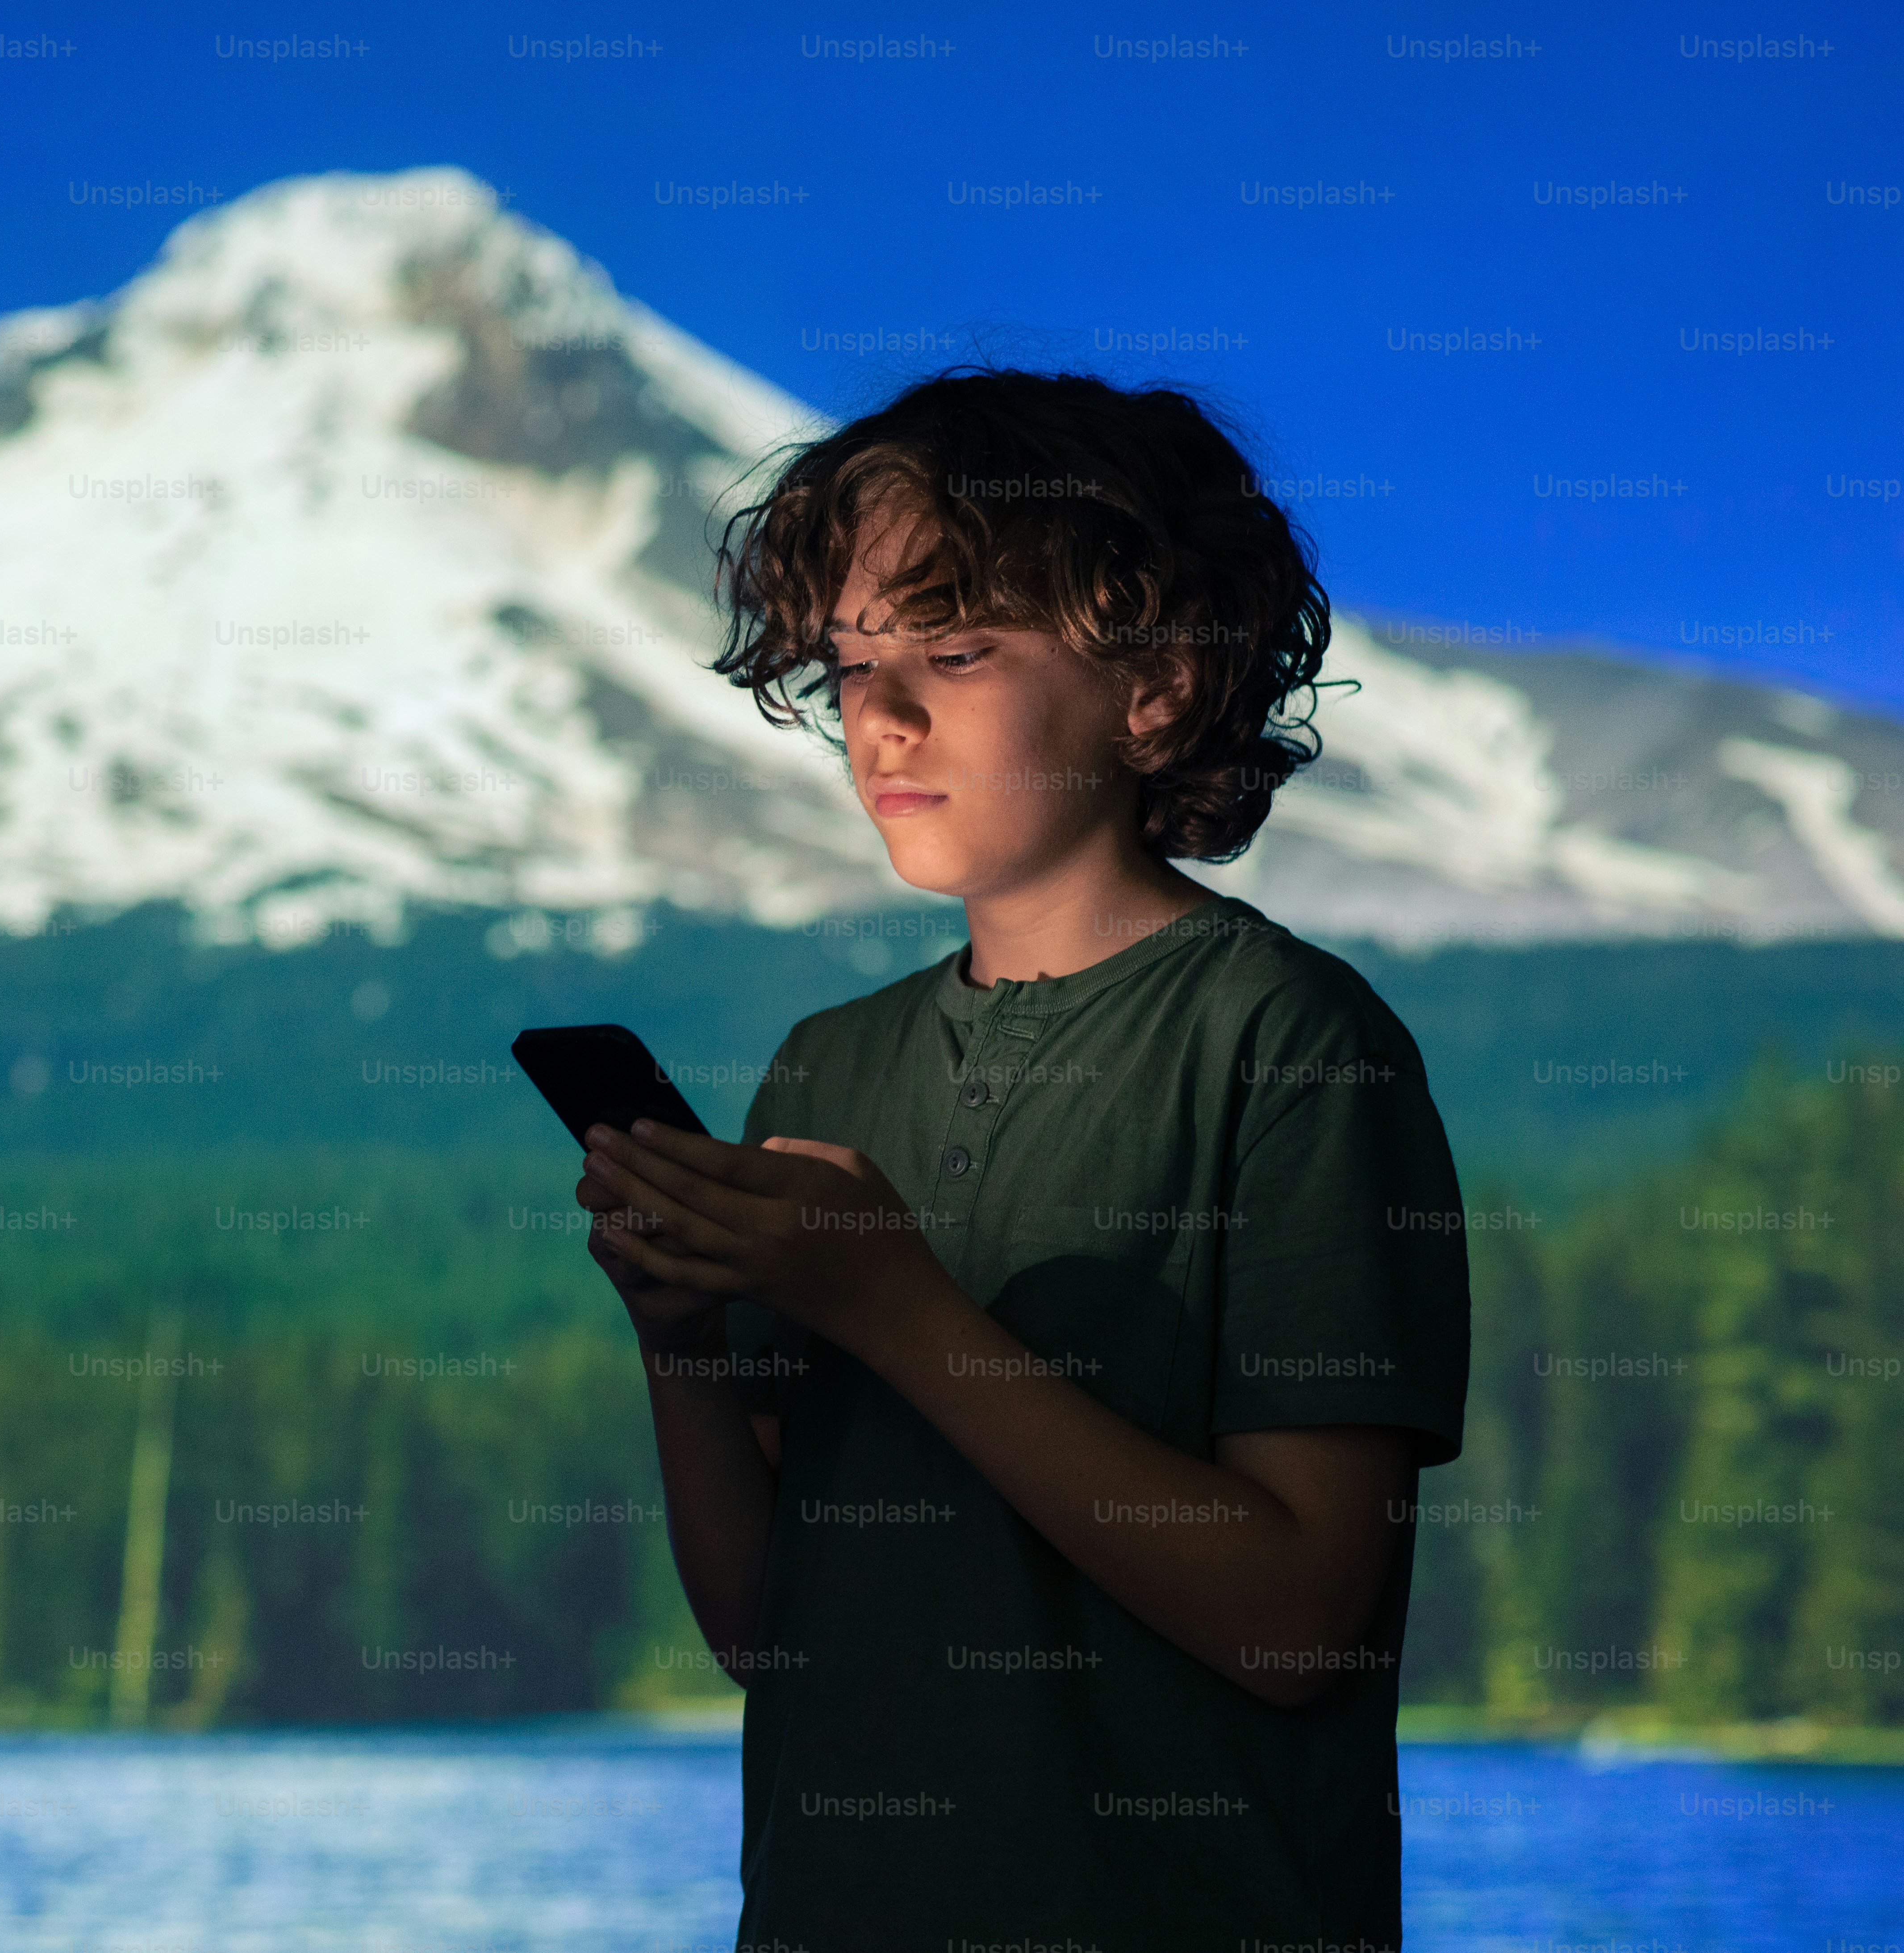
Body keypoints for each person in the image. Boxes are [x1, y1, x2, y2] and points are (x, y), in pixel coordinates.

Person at [575, 368, 1471, 1952]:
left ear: (1159, 688)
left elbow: (1296, 1625)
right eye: (851, 667)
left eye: (958, 654)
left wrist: (898, 1312)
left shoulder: (1294, 1044)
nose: (885, 719)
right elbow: (769, 1641)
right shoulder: (828, 1064)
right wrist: (684, 1347)